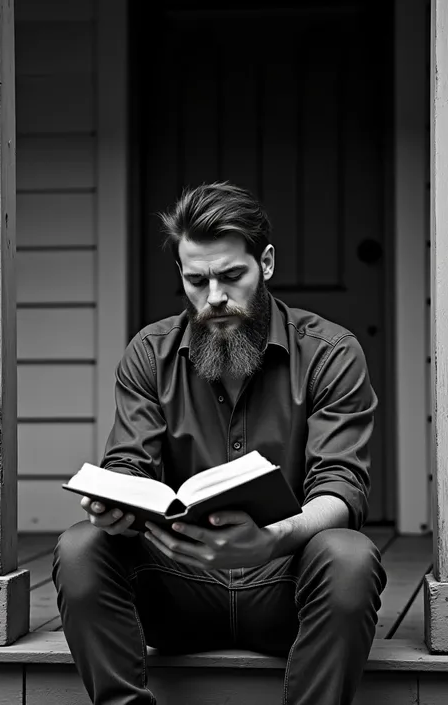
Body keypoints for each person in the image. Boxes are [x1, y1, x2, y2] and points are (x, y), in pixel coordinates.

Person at [53, 181, 387, 705]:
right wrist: (116, 504)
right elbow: (129, 464)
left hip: (287, 593)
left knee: (349, 556)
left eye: (232, 276)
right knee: (80, 545)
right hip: (176, 590)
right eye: (196, 280)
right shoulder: (150, 353)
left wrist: (274, 539)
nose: (214, 298)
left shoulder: (332, 353)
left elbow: (341, 489)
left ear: (267, 263)